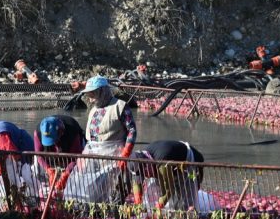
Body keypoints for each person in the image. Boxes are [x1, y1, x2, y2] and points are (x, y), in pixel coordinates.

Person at [81, 75, 137, 204]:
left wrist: (125, 154)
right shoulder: (94, 110)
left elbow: (132, 131)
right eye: (89, 94)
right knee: (94, 192)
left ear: (102, 91)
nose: (90, 98)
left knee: (116, 193)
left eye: (93, 94)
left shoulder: (120, 106)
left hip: (115, 156)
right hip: (94, 157)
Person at [129, 140, 205, 211]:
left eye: (145, 172)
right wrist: (137, 204)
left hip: (187, 161)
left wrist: (159, 207)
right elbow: (136, 184)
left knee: (186, 199)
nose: (146, 176)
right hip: (167, 166)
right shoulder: (137, 162)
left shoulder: (162, 160)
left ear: (148, 163)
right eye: (142, 174)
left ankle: (188, 218)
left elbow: (169, 189)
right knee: (152, 192)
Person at [0, 120, 36, 203]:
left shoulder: (0, 136)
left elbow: (12, 157)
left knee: (28, 180)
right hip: (12, 158)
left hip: (24, 151)